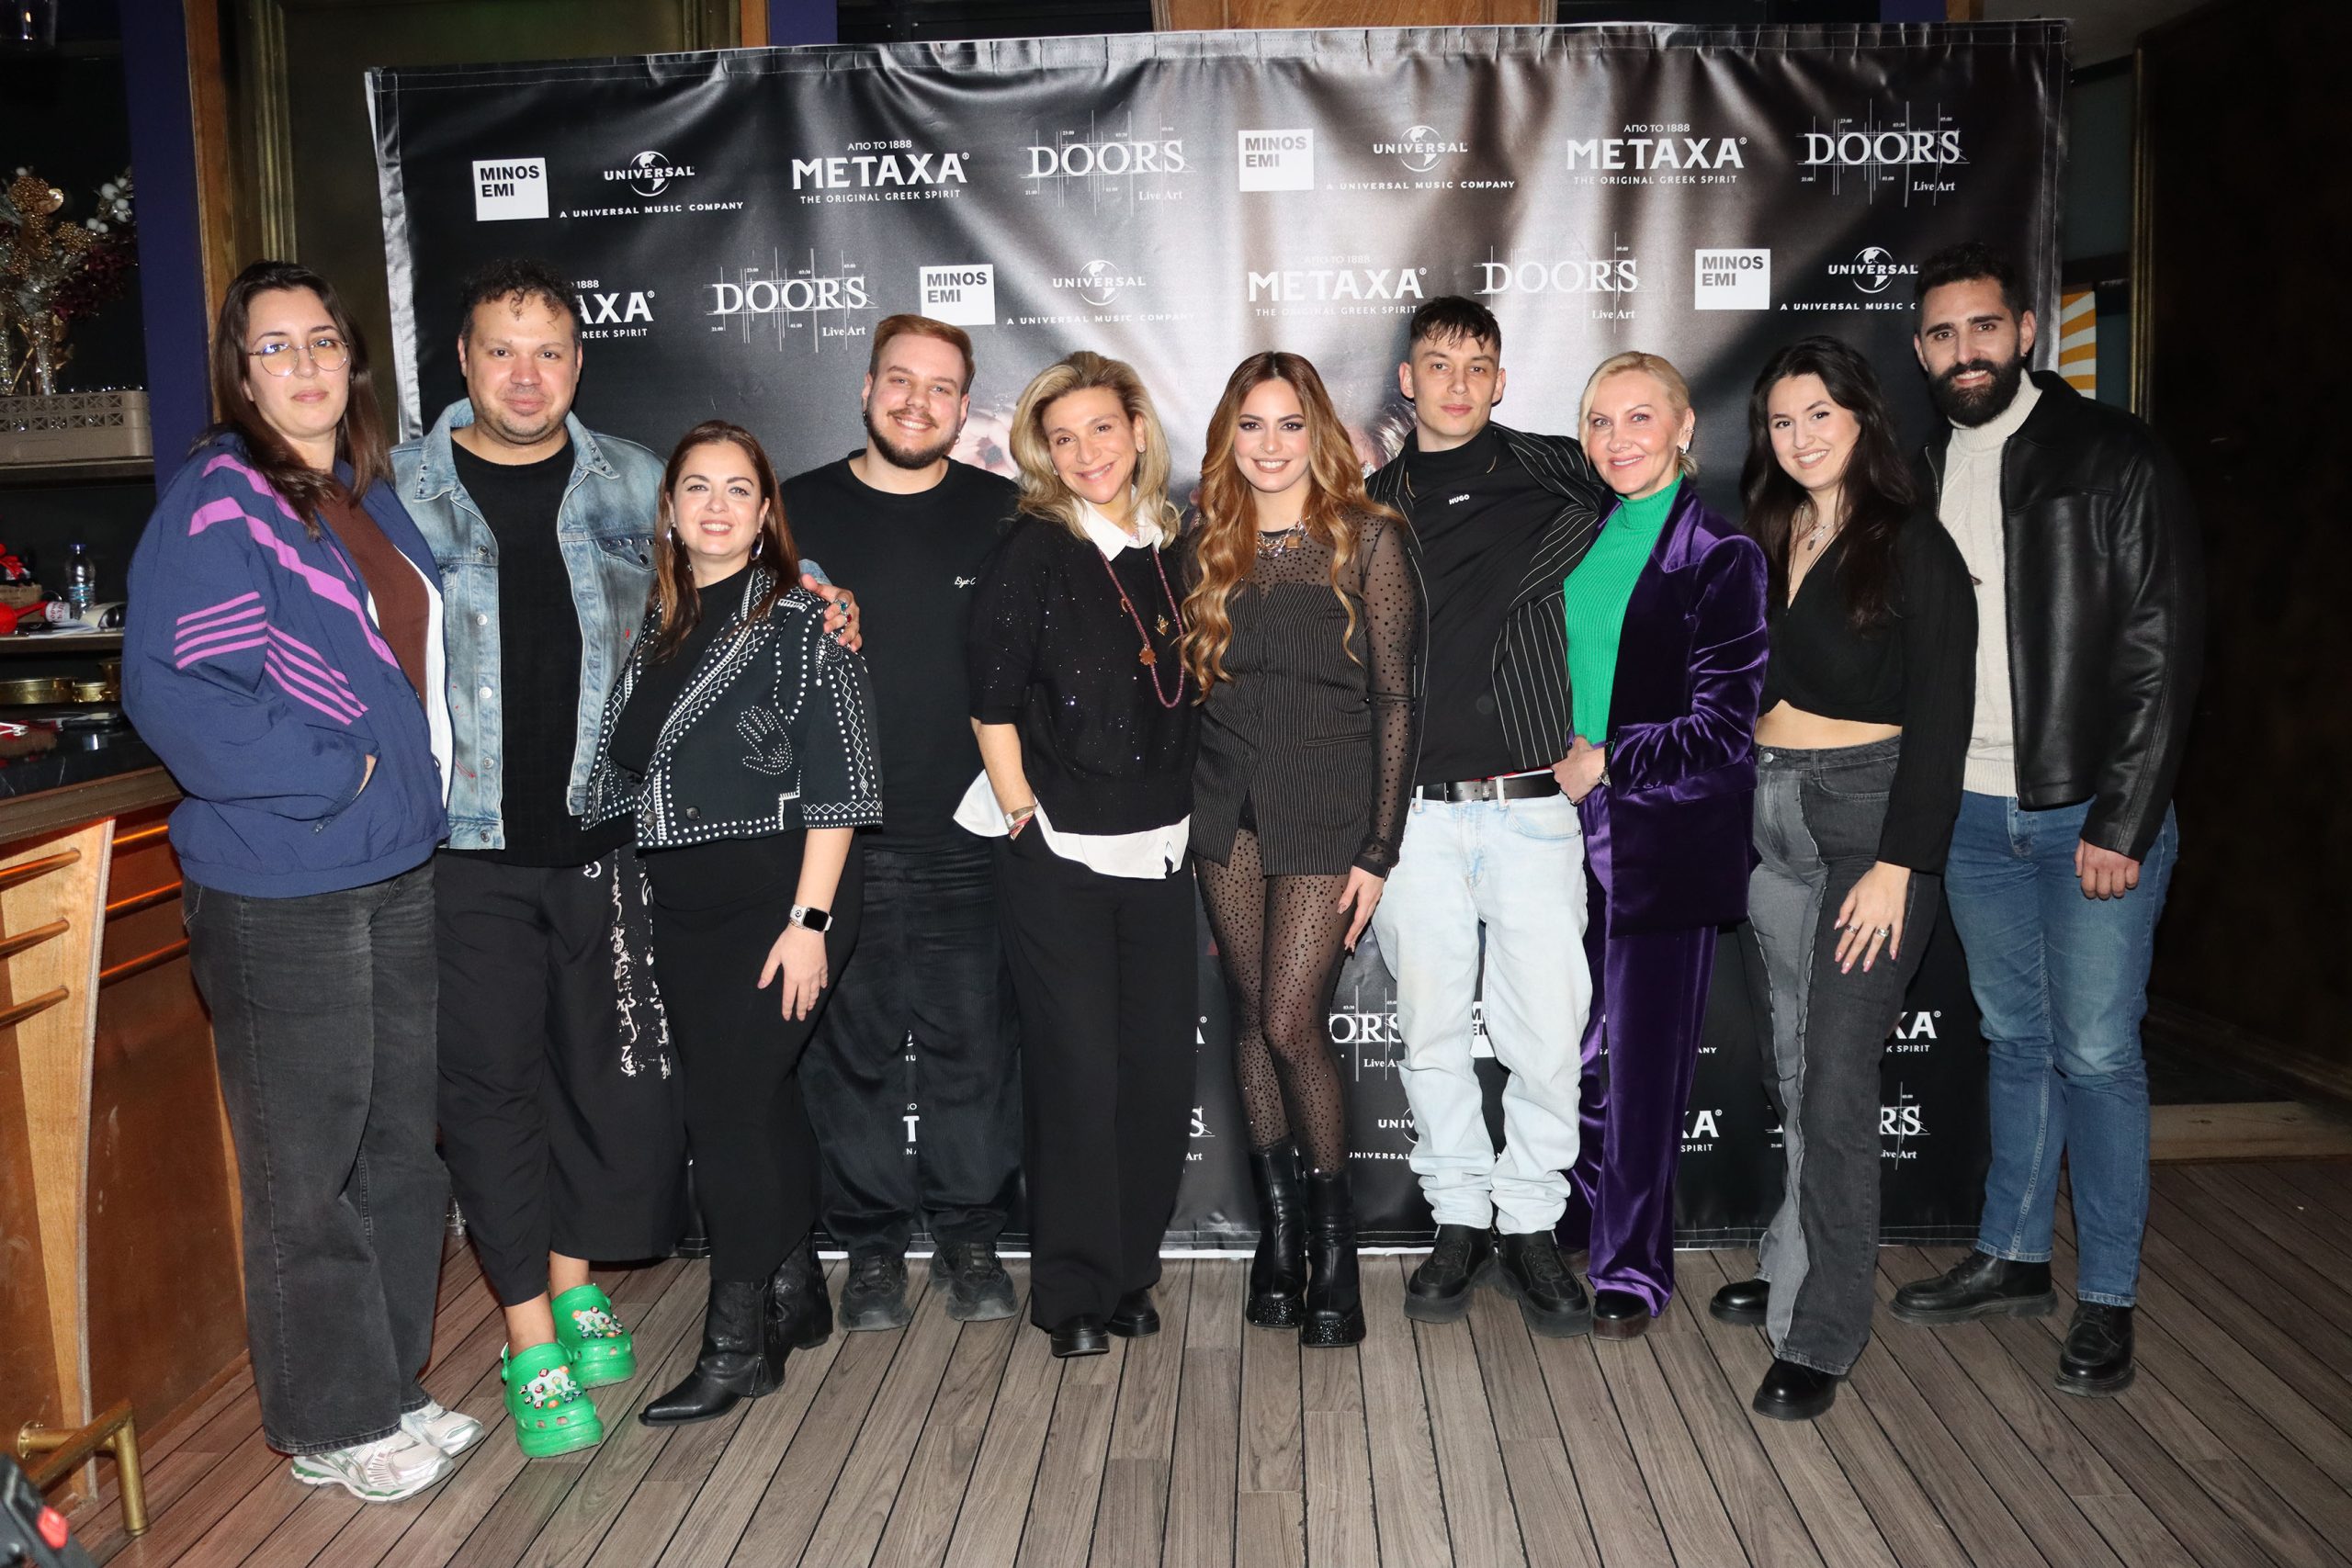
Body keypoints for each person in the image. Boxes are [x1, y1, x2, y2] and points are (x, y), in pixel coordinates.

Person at [393, 259, 857, 1455]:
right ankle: (531, 1338)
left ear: (579, 363)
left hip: (612, 856)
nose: (526, 374)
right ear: (462, 360)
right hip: (470, 849)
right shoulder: (399, 492)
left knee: (626, 1094)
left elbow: (738, 550)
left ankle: (604, 1289)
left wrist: (815, 591)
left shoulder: (630, 478)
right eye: (502, 350)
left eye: (549, 351)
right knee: (496, 1092)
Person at [124, 260, 467, 1501]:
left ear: (351, 359)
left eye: (322, 340)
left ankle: (388, 1382)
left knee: (402, 1150)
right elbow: (176, 690)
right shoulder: (221, 502)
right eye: (274, 347)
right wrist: (342, 771)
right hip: (284, 881)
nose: (305, 364)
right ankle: (330, 1416)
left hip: (396, 861)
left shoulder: (359, 494)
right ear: (241, 373)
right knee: (306, 1169)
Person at [1888, 242, 2202, 1397]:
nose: (1963, 350)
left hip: (2087, 818)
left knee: (2097, 1053)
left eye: (1982, 327)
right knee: (2016, 1040)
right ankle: (2014, 1255)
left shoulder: (2113, 453)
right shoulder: (1918, 469)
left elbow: (2164, 645)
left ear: (2025, 331)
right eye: (1941, 334)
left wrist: (2125, 817)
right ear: (1921, 351)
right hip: (1971, 817)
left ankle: (2107, 1298)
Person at [584, 422, 883, 1424]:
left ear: (765, 515)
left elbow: (843, 787)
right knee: (760, 1102)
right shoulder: (658, 621)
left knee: (726, 1114)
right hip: (685, 909)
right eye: (698, 488)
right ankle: (798, 1287)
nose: (717, 506)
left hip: (784, 903)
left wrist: (809, 921)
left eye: (739, 490)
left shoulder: (804, 620)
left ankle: (737, 1344)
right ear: (669, 510)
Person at [1705, 338, 1975, 1421]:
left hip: (1868, 826)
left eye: (1820, 413)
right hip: (1769, 817)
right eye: (1781, 420)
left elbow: (1944, 718)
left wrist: (1901, 866)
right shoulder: (1768, 534)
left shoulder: (1911, 542)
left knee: (1834, 1085)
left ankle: (1822, 1331)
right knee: (1789, 1065)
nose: (1800, 436)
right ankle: (1794, 1262)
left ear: (1862, 418)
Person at [1363, 297, 1611, 1337]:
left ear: (1501, 380)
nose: (1457, 384)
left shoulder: (1566, 470)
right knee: (1430, 1032)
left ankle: (1532, 1223)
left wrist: (1613, 730)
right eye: (1438, 364)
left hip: (1531, 805)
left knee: (1547, 1035)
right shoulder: (1368, 504)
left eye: (1477, 366)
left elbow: (1655, 566)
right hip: (1413, 818)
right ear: (1407, 381)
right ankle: (1459, 1216)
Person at [958, 351, 1201, 1359]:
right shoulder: (1035, 550)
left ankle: (1130, 1270)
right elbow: (990, 702)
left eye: (1102, 428)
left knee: (1155, 1077)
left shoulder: (1173, 546)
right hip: (1058, 852)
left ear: (1138, 431)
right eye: (1063, 438)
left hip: (1164, 849)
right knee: (1077, 1077)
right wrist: (1023, 814)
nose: (1086, 452)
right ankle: (1071, 1294)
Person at [786, 315, 1024, 1334]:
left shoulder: (1005, 512)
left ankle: (971, 1235)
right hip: (838, 842)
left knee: (975, 1048)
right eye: (898, 380)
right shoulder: (791, 511)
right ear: (865, 388)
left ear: (963, 408)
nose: (915, 402)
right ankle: (873, 1246)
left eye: (939, 388)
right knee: (850, 1056)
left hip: (971, 834)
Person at [1184, 351, 1424, 1348]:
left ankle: (1335, 1249)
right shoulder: (1207, 537)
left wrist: (1380, 846)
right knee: (1250, 1018)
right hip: (1224, 805)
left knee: (1290, 1021)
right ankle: (1279, 1239)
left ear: (1318, 432)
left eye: (1290, 424)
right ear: (1228, 437)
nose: (1271, 444)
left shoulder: (1368, 538)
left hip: (1328, 807)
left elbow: (1398, 700)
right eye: (1251, 425)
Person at [1555, 351, 1769, 1339]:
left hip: (1659, 836)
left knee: (1641, 1067)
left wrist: (1611, 760)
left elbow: (1726, 725)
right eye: (1599, 421)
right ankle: (1579, 1220)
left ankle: (1633, 1268)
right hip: (1557, 828)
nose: (1617, 439)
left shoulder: (1721, 555)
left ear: (1685, 428)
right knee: (1569, 1043)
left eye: (1640, 418)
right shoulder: (1582, 533)